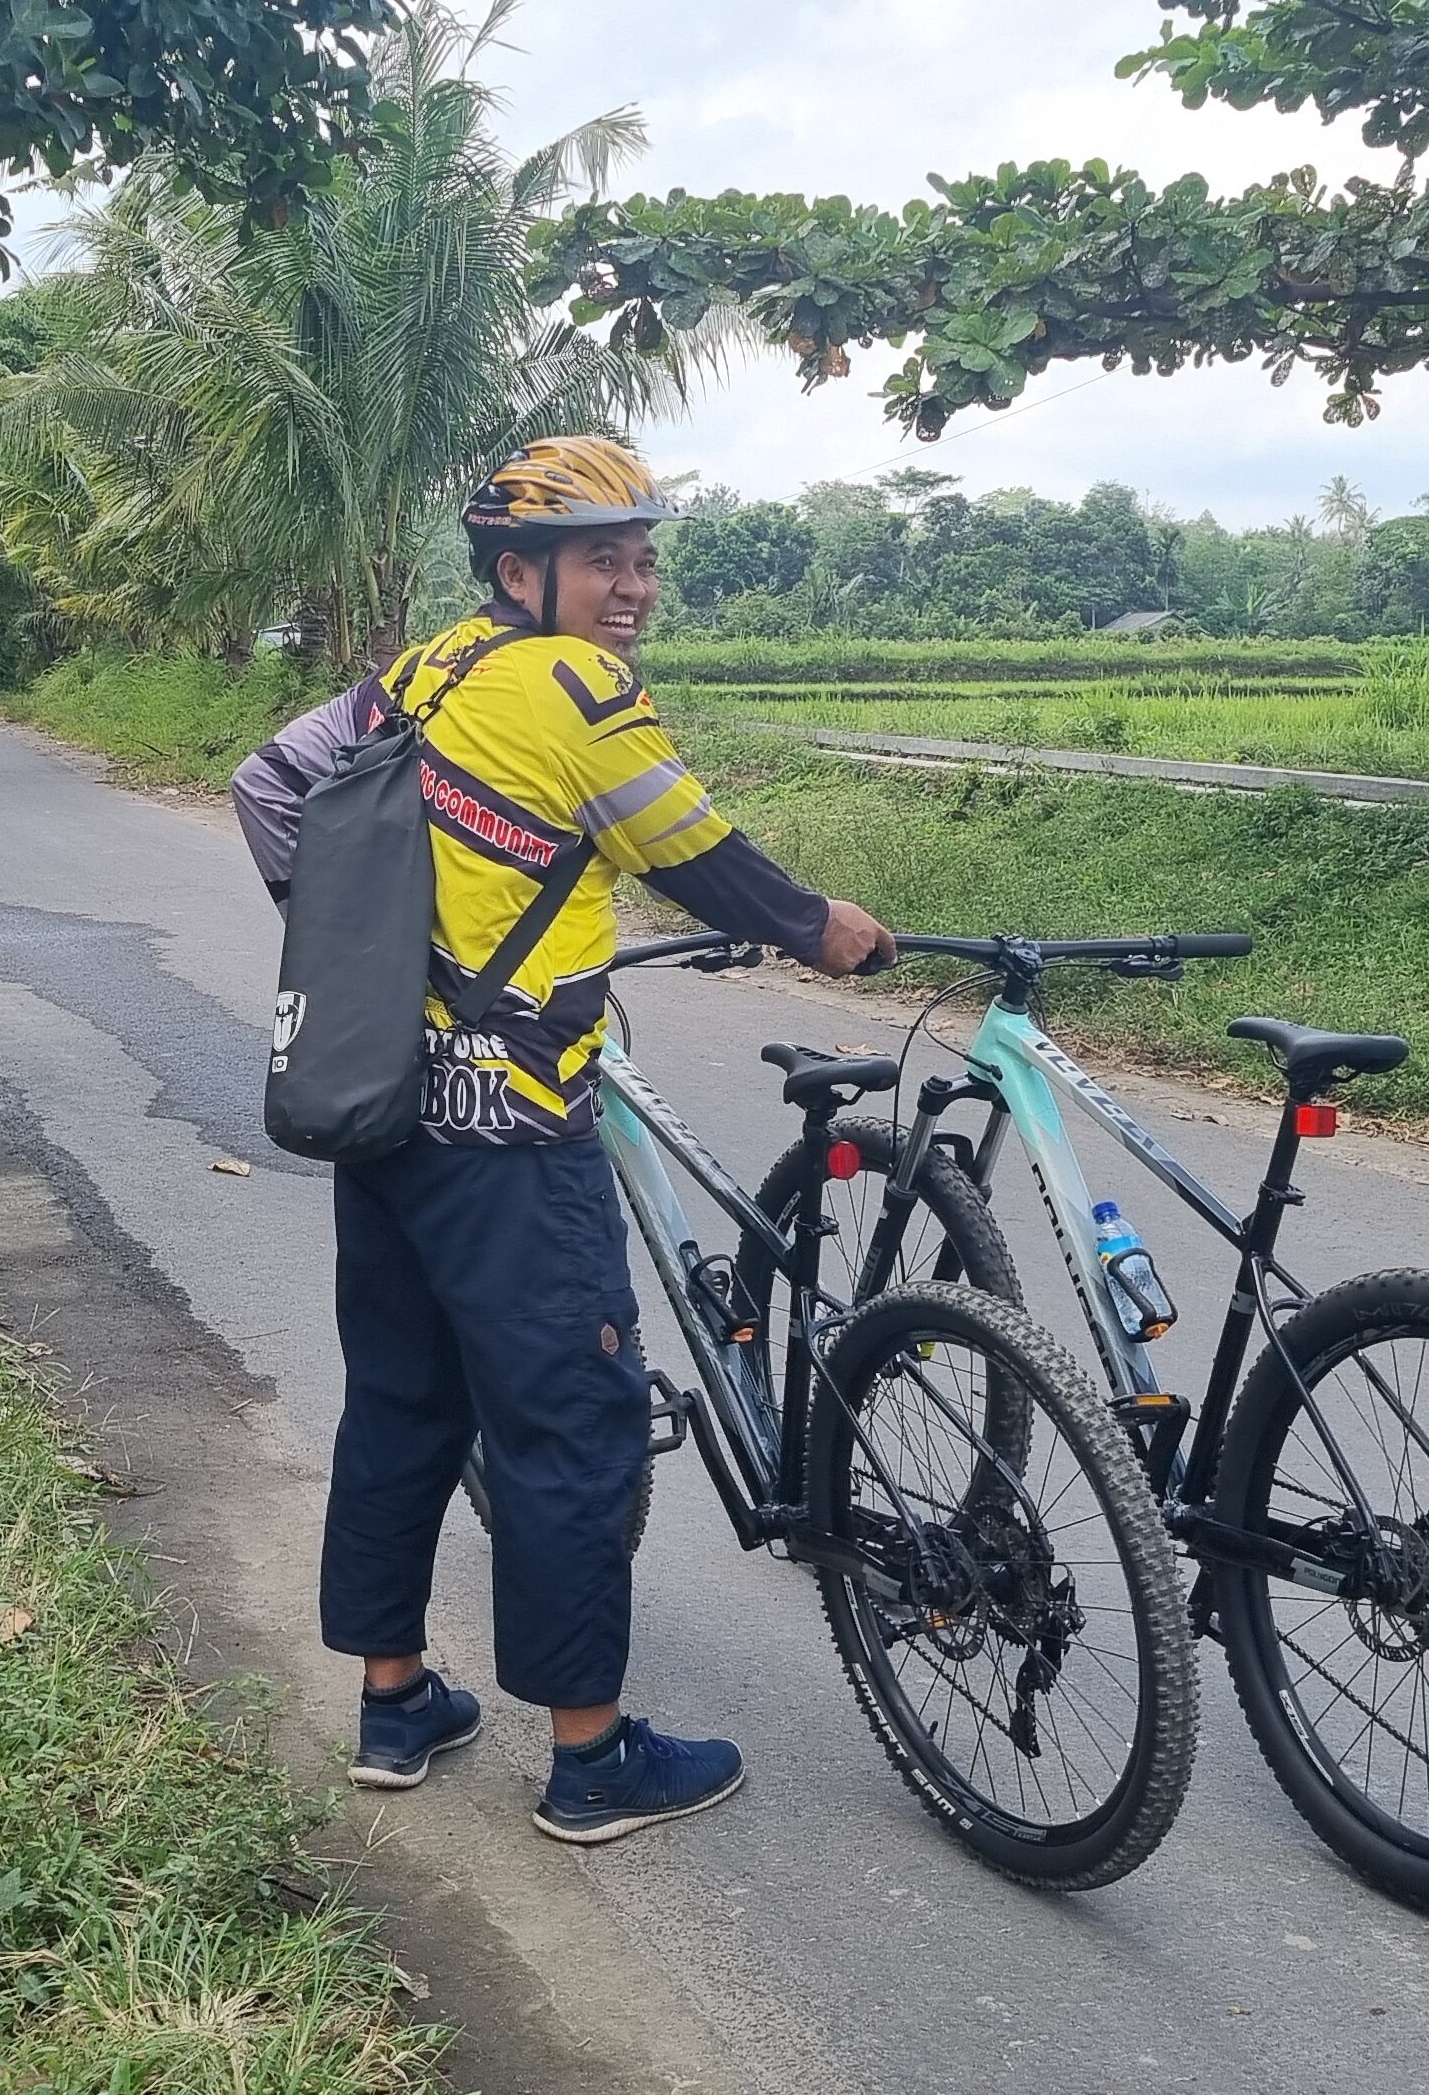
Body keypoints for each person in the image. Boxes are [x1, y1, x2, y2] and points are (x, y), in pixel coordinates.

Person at [232, 436, 893, 1845]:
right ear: (519, 569)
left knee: (406, 1400)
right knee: (574, 1424)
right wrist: (822, 928)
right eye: (605, 558)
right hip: (518, 1132)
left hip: (389, 1111)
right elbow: (695, 852)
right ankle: (591, 1758)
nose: (633, 587)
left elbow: (268, 787)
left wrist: (365, 953)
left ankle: (396, 1704)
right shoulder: (574, 685)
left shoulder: (425, 672)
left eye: (645, 558)